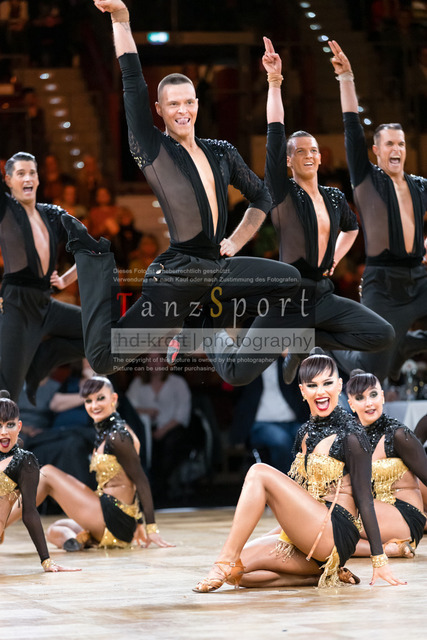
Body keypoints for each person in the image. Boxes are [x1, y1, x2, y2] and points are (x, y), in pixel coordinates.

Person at [59, 1, 301, 379]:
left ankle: (214, 334)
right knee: (105, 359)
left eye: (188, 102)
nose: (182, 110)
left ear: (197, 104)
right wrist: (121, 19)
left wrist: (236, 241)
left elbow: (263, 196)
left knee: (289, 281)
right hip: (176, 277)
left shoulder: (221, 152)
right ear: (159, 110)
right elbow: (133, 82)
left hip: (217, 268)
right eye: (173, 104)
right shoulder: (153, 149)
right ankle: (94, 260)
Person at [205, 38, 394, 387]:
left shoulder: (334, 197)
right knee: (237, 374)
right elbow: (275, 132)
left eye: (314, 150)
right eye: (301, 151)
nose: (309, 155)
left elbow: (352, 229)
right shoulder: (282, 192)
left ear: (321, 157)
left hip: (322, 295)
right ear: (289, 161)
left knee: (381, 335)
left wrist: (334, 257)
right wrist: (274, 81)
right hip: (286, 302)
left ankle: (304, 340)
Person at [193, 351, 404, 592]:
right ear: (303, 391)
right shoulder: (304, 432)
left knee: (258, 472)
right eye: (312, 385)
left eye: (327, 383)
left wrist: (379, 560)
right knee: (237, 573)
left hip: (333, 535)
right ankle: (318, 576)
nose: (320, 391)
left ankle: (222, 562)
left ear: (339, 386)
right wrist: (272, 536)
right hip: (308, 531)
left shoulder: (352, 435)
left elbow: (366, 501)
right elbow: (301, 497)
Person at [328, 40, 427, 383]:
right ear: (376, 150)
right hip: (383, 285)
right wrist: (346, 78)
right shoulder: (367, 180)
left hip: (419, 279)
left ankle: (406, 344)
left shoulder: (420, 185)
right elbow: (352, 127)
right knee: (371, 372)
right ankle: (327, 340)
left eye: (401, 143)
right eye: (389, 144)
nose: (396, 148)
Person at [7, 376, 173, 550]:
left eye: (100, 398)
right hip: (112, 516)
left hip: (113, 519)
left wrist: (150, 528)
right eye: (88, 401)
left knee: (47, 473)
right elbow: (129, 481)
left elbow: (140, 480)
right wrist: (137, 522)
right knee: (55, 530)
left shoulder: (118, 436)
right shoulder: (107, 431)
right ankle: (79, 540)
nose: (94, 406)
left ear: (113, 399)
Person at [0, 152, 85, 402]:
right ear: (8, 180)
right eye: (20, 174)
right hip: (17, 305)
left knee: (101, 331)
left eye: (32, 173)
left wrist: (65, 280)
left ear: (39, 178)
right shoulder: (6, 209)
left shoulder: (51, 213)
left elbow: (91, 250)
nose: (28, 178)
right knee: (7, 395)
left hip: (46, 303)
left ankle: (44, 359)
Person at [346, 369, 427, 558]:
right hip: (371, 512)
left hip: (404, 517)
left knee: (333, 516)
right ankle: (389, 550)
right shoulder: (349, 437)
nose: (369, 403)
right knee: (323, 528)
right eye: (360, 398)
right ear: (351, 404)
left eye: (373, 395)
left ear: (382, 396)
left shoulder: (398, 435)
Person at [0, 390, 78, 573]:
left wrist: (46, 560)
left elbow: (30, 513)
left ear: (19, 426)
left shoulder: (24, 461)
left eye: (10, 425)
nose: (4, 432)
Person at [126, 352, 192, 497]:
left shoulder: (177, 383)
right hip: (145, 430)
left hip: (172, 428)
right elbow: (128, 408)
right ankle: (147, 487)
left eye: (157, 359)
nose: (154, 363)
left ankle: (164, 487)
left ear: (164, 361)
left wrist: (163, 430)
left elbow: (182, 414)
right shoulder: (138, 384)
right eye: (150, 360)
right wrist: (146, 411)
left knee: (171, 443)